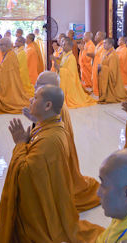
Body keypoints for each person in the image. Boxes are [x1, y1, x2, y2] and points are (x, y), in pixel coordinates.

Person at [0, 85, 104, 243]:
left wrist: (20, 144)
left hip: (39, 214)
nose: (30, 100)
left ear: (48, 105)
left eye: (35, 97)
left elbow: (24, 174)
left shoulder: (49, 139)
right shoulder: (49, 125)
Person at [25, 71, 101, 212]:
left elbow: (54, 136)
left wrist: (37, 122)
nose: (35, 86)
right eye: (36, 83)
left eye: (40, 84)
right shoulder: (51, 104)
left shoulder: (58, 108)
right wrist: (36, 121)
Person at [0, 37, 32, 114]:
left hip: (12, 81)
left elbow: (5, 71)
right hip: (12, 79)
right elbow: (5, 69)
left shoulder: (10, 55)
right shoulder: (9, 53)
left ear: (5, 45)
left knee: (15, 100)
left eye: (0, 45)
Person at [56, 37, 97, 109]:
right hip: (63, 79)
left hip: (69, 82)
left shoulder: (71, 57)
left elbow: (71, 73)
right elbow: (63, 65)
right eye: (62, 45)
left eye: (64, 45)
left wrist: (60, 69)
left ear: (70, 47)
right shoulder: (65, 55)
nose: (62, 46)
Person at [96, 38, 127, 104]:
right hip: (104, 75)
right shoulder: (106, 52)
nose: (103, 44)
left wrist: (102, 67)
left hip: (111, 80)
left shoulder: (113, 54)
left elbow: (112, 71)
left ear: (110, 44)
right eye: (103, 43)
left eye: (105, 43)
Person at [90, 31, 106, 96]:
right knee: (94, 77)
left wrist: (95, 56)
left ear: (102, 37)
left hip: (98, 64)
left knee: (97, 77)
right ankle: (95, 88)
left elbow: (103, 57)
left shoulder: (103, 45)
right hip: (95, 63)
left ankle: (98, 89)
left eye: (97, 35)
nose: (95, 36)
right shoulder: (98, 44)